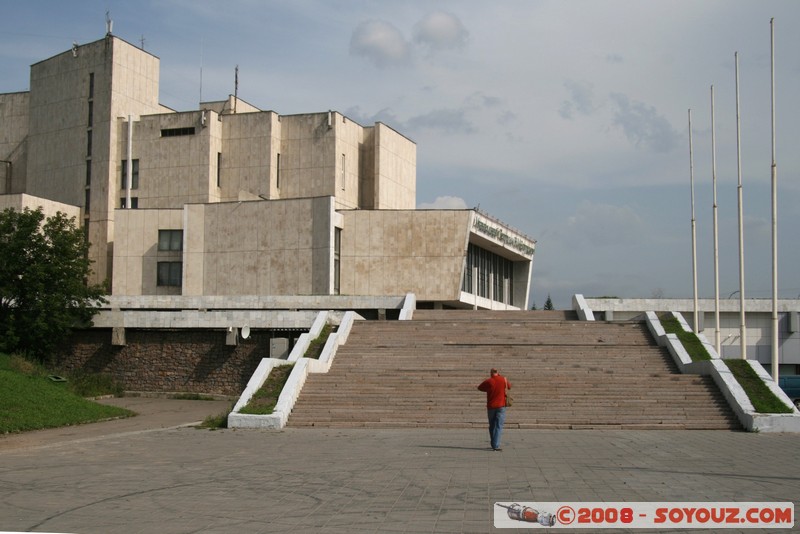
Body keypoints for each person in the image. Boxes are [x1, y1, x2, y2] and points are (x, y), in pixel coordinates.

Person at [477, 368, 511, 451]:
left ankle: (494, 443)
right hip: (501, 406)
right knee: (499, 426)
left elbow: (479, 387)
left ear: (491, 373)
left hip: (491, 406)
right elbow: (509, 387)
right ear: (498, 373)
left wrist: (488, 389)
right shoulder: (503, 379)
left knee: (492, 425)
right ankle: (495, 445)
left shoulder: (489, 381)